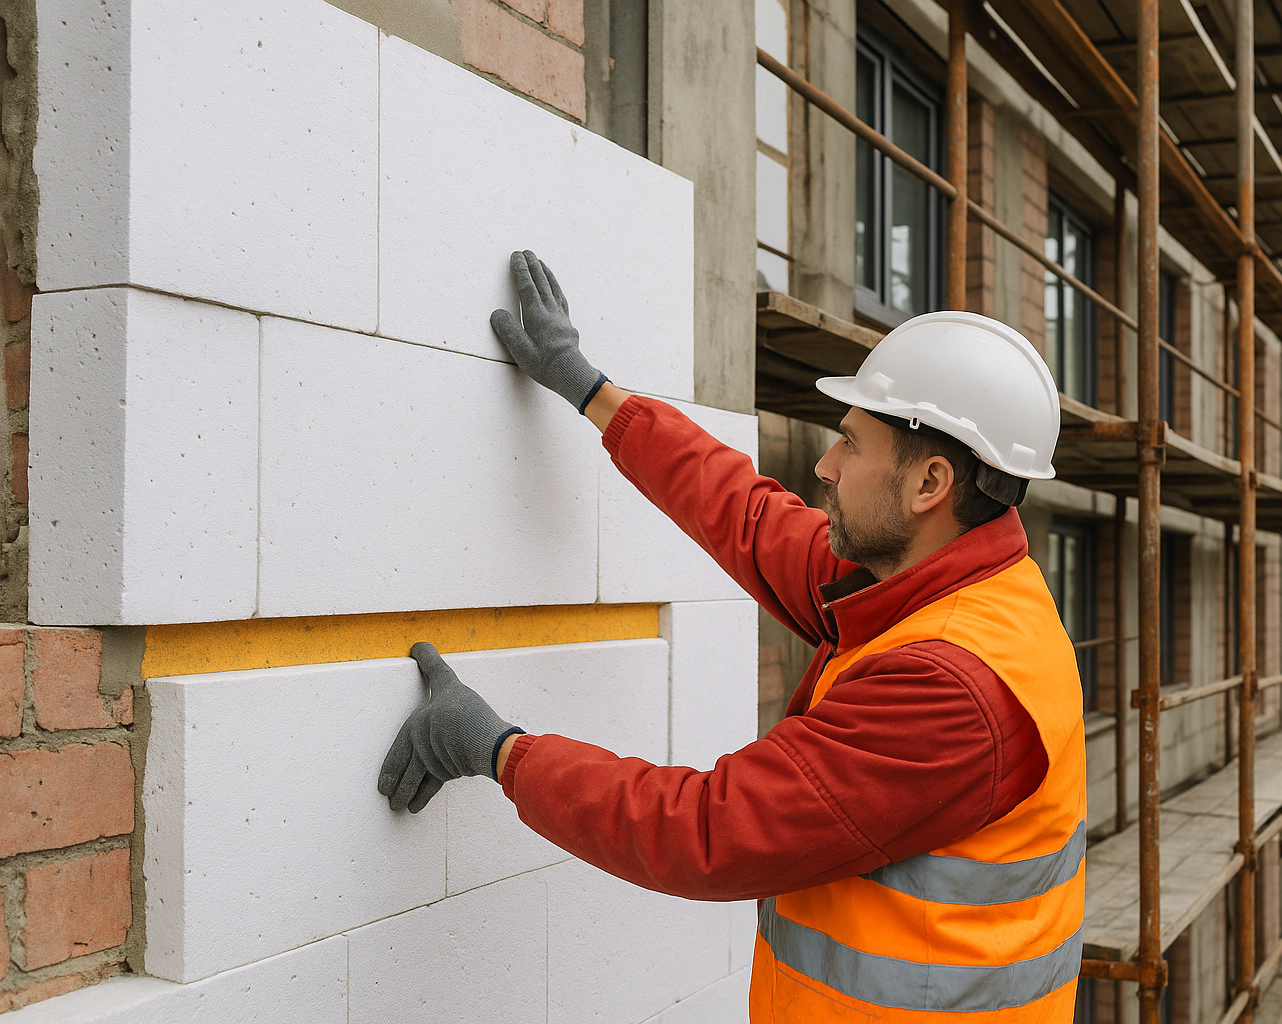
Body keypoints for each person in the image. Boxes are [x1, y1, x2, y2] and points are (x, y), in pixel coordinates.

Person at [379, 250, 1087, 1021]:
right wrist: (590, 390)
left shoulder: (949, 689)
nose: (825, 465)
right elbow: (750, 518)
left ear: (930, 485)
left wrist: (496, 749)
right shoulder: (948, 581)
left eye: (851, 443)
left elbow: (708, 830)